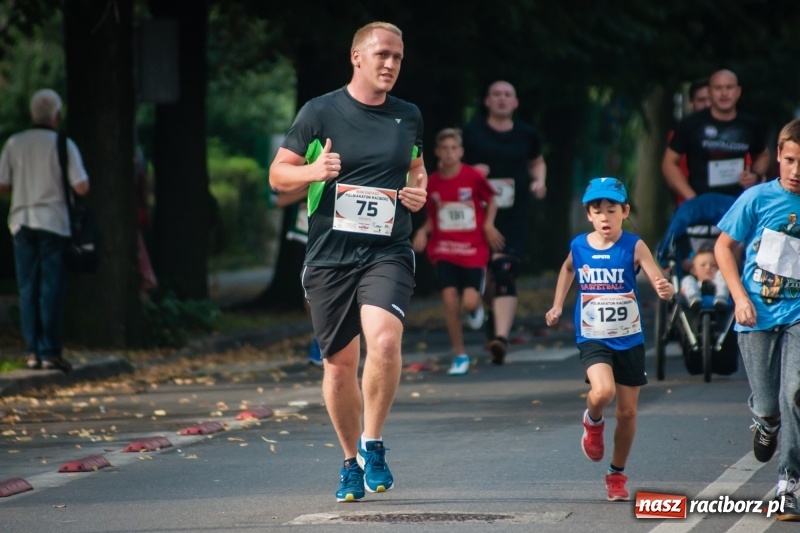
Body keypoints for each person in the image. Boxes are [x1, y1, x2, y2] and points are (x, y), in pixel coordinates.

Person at [268, 21, 427, 503]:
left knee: (383, 340)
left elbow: (417, 167)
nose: (391, 64)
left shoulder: (408, 116)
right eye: (382, 54)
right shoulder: (320, 112)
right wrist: (314, 171)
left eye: (398, 57)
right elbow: (278, 175)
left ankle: (373, 442)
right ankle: (349, 461)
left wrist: (419, 192)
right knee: (339, 367)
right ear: (356, 57)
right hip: (329, 257)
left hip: (388, 251)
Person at [545, 178, 673, 502]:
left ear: (624, 211)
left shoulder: (634, 245)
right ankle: (593, 420)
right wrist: (558, 304)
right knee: (603, 391)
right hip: (593, 336)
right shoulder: (579, 245)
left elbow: (656, 274)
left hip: (629, 337)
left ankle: (616, 474)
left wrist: (664, 286)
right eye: (597, 210)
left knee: (628, 413)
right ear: (589, 215)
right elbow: (567, 270)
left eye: (611, 210)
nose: (604, 217)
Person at [714, 119, 800, 521]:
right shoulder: (756, 198)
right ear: (778, 159)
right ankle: (766, 423)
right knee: (770, 404)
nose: (796, 171)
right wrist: (738, 297)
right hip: (757, 311)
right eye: (789, 160)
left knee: (796, 392)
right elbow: (723, 247)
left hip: (798, 313)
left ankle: (789, 483)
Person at [0, 89, 90, 373]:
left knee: (28, 287)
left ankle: (31, 352)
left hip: (21, 221)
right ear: (57, 116)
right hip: (53, 223)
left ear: (31, 114)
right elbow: (81, 186)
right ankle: (50, 351)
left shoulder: (14, 143)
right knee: (51, 288)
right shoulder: (63, 144)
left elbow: (2, 185)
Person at [461, 80, 546, 365]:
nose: (501, 99)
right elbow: (451, 168)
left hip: (513, 214)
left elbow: (537, 162)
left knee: (505, 270)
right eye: (495, 94)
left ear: (515, 103)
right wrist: (471, 171)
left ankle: (501, 338)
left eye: (507, 95)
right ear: (486, 101)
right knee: (484, 276)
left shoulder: (526, 134)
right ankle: (491, 317)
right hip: (476, 214)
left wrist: (539, 182)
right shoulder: (471, 133)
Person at [412, 128, 503, 376]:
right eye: (445, 148)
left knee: (469, 301)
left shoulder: (473, 176)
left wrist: (487, 224)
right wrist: (423, 231)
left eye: (454, 148)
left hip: (473, 248)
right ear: (437, 152)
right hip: (444, 247)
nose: (450, 153)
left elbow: (492, 200)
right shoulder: (432, 182)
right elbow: (435, 215)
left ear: (461, 152)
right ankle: (460, 355)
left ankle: (476, 308)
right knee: (449, 298)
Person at [662, 69, 770, 201]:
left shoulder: (751, 125)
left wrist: (755, 175)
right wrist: (691, 198)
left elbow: (763, 155)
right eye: (718, 88)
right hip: (700, 204)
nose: (724, 93)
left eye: (729, 88)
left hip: (738, 204)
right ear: (710, 92)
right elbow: (669, 163)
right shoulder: (691, 124)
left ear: (738, 92)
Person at [272, 187, 322, 366]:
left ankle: (337, 337)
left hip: (338, 232)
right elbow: (279, 200)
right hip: (305, 236)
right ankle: (320, 338)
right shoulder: (299, 162)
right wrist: (315, 183)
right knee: (310, 292)